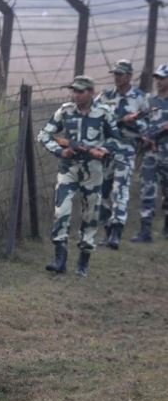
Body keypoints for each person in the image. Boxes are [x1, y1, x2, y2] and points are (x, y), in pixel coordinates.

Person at [38, 75, 120, 276]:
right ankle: (60, 259)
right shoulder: (65, 111)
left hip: (93, 170)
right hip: (69, 169)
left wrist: (102, 151)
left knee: (90, 214)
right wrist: (60, 151)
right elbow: (44, 135)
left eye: (80, 91)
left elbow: (116, 140)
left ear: (91, 92)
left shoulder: (104, 113)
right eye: (74, 90)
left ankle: (84, 260)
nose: (76, 95)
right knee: (61, 211)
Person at [94, 60, 149, 248]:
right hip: (106, 148)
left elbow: (148, 125)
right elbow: (95, 117)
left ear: (129, 76)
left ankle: (116, 232)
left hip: (126, 148)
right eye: (115, 74)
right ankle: (107, 229)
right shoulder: (105, 96)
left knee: (120, 189)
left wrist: (134, 123)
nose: (117, 77)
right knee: (102, 191)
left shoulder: (140, 98)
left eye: (121, 74)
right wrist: (121, 119)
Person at [130, 64, 168, 242]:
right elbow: (140, 122)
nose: (159, 82)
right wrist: (145, 137)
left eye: (162, 78)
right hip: (151, 153)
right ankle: (145, 230)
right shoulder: (149, 101)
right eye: (157, 78)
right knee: (147, 190)